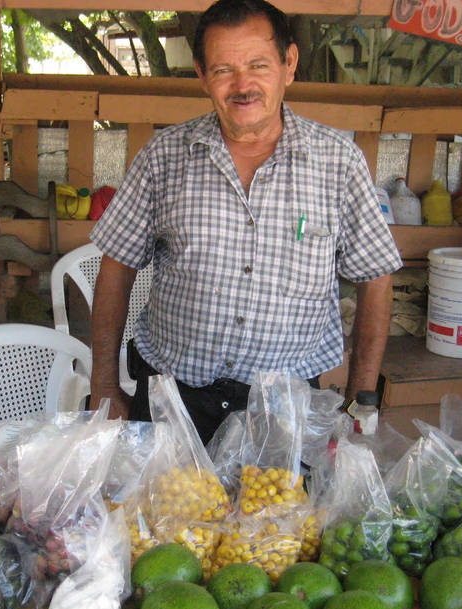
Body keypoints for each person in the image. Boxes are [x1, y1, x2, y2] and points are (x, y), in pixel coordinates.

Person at [88, 0, 402, 444]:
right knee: (158, 514)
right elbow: (116, 266)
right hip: (171, 403)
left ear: (288, 64)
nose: (242, 85)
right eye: (222, 70)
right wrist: (103, 386)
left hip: (286, 412)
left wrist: (359, 402)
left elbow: (376, 279)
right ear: (201, 74)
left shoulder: (339, 164)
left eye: (258, 64)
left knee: (284, 516)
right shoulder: (163, 158)